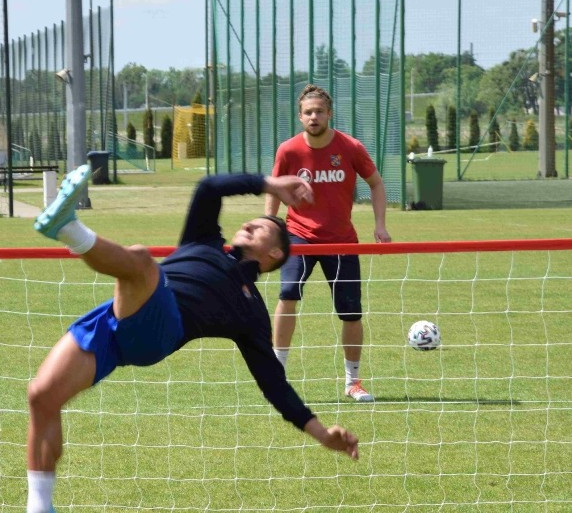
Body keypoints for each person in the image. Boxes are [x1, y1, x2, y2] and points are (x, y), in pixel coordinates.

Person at [26, 164, 360, 513]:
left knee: (141, 259)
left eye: (261, 228)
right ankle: (39, 507)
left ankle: (67, 227)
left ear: (274, 254)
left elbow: (274, 384)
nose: (248, 223)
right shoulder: (203, 239)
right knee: (42, 397)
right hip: (113, 322)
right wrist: (269, 184)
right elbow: (209, 187)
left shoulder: (250, 309)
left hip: (158, 332)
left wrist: (320, 433)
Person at [266, 84, 391, 403]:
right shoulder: (288, 150)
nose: (314, 116)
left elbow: (376, 184)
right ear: (300, 116)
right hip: (298, 237)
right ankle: (276, 376)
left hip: (341, 241)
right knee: (287, 296)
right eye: (308, 112)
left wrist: (380, 224)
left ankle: (353, 382)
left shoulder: (350, 147)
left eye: (319, 111)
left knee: (351, 313)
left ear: (329, 113)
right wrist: (270, 226)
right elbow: (274, 188)